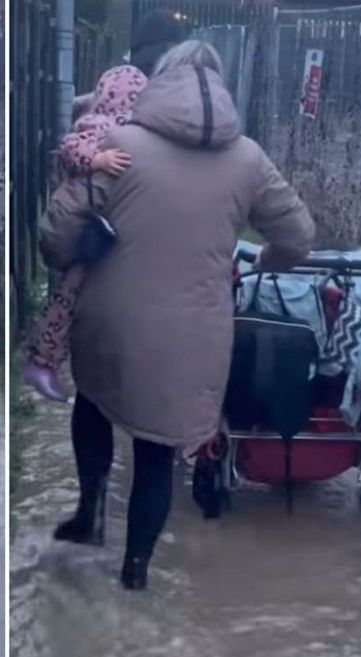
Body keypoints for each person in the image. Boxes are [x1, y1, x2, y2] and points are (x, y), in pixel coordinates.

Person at [38, 40, 315, 591]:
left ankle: (89, 517)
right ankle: (135, 577)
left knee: (94, 402)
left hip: (109, 322)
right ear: (222, 88)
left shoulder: (120, 145)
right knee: (157, 449)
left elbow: (55, 232)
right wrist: (266, 258)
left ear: (160, 81)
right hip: (194, 335)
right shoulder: (250, 160)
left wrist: (76, 257)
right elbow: (299, 238)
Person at [23, 65, 147, 401]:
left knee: (70, 296)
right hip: (86, 230)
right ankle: (42, 361)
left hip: (92, 228)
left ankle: (47, 360)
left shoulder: (117, 126)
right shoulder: (101, 126)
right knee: (69, 296)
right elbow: (69, 147)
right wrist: (97, 159)